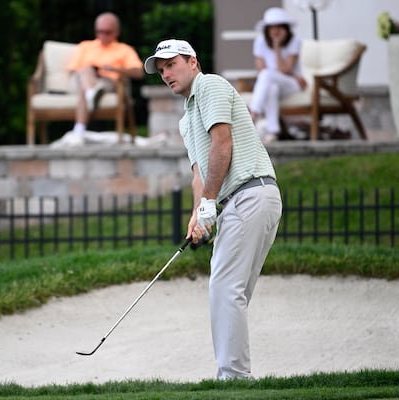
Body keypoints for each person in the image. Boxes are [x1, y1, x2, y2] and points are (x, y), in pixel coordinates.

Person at [144, 39, 282, 380]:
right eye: (161, 70)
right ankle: (235, 375)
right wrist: (197, 214)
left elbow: (223, 144)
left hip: (251, 193)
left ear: (193, 61)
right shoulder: (186, 119)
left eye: (171, 64)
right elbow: (199, 176)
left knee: (224, 288)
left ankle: (233, 376)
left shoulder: (211, 85)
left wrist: (209, 203)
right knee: (230, 292)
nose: (166, 74)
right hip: (240, 201)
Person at [64, 12, 143, 143]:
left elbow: (139, 72)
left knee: (86, 87)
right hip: (83, 79)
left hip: (109, 83)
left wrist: (113, 69)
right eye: (100, 31)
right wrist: (93, 70)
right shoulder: (85, 46)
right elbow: (73, 69)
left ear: (116, 32)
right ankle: (92, 94)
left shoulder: (124, 49)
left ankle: (78, 131)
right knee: (85, 70)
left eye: (107, 32)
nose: (103, 35)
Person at [249, 7, 306, 144]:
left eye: (279, 27)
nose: (275, 31)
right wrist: (275, 71)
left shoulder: (295, 41)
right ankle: (273, 131)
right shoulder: (260, 41)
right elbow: (260, 68)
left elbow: (285, 69)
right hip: (271, 82)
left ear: (286, 29)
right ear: (267, 29)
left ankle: (252, 115)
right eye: (272, 27)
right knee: (271, 87)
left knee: (267, 75)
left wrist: (277, 47)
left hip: (292, 84)